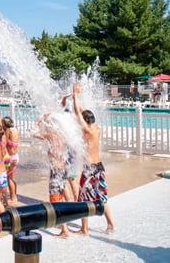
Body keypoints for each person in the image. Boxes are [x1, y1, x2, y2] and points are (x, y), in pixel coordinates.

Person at [72, 82, 115, 234]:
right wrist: (77, 98)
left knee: (83, 199)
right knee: (102, 197)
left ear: (85, 121)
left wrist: (75, 94)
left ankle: (84, 229)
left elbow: (78, 112)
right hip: (99, 167)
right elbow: (83, 112)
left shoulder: (87, 130)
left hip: (89, 169)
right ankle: (110, 225)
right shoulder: (96, 128)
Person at [33, 113, 76, 238]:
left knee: (55, 200)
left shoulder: (51, 136)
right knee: (60, 197)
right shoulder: (62, 135)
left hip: (56, 171)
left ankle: (64, 230)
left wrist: (40, 120)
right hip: (62, 169)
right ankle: (64, 224)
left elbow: (34, 133)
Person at [0, 99, 20, 205]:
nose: (1, 125)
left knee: (3, 179)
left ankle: (3, 200)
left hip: (8, 158)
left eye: (3, 124)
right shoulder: (15, 130)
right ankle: (14, 197)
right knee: (11, 178)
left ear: (5, 125)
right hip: (15, 157)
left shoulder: (7, 132)